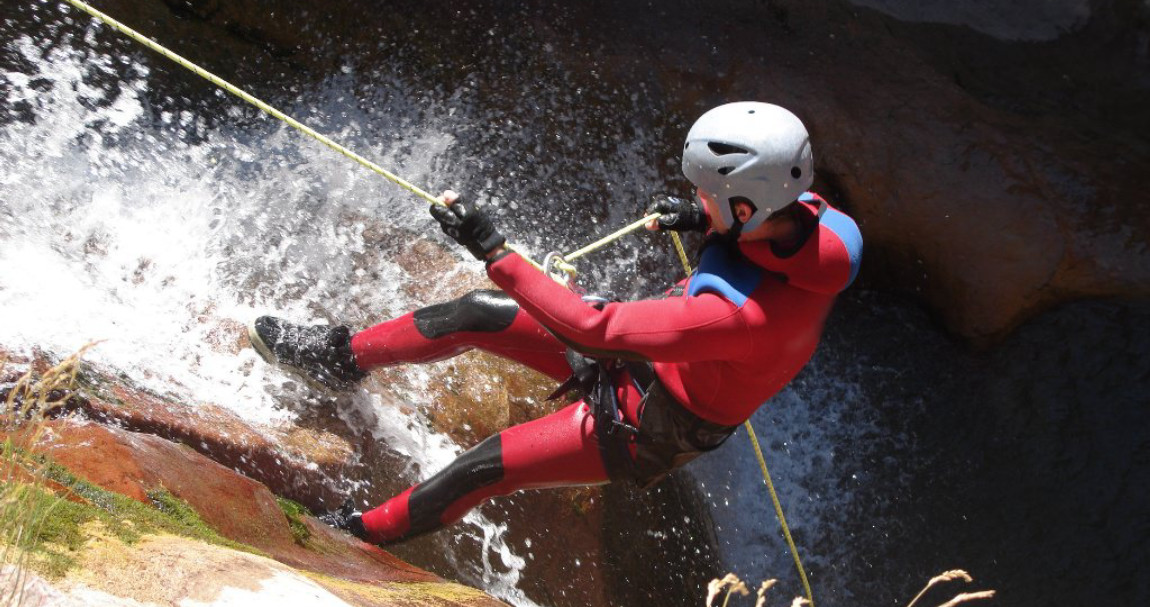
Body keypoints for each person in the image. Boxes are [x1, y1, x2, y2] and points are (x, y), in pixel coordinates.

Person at [249, 102, 862, 545]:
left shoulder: (737, 315)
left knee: (483, 467)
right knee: (474, 314)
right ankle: (340, 359)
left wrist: (495, 251)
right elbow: (756, 243)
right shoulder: (813, 219)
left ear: (745, 206)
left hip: (647, 423)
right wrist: (702, 220)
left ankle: (357, 535)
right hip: (652, 360)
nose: (696, 196)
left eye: (705, 194)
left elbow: (593, 329)